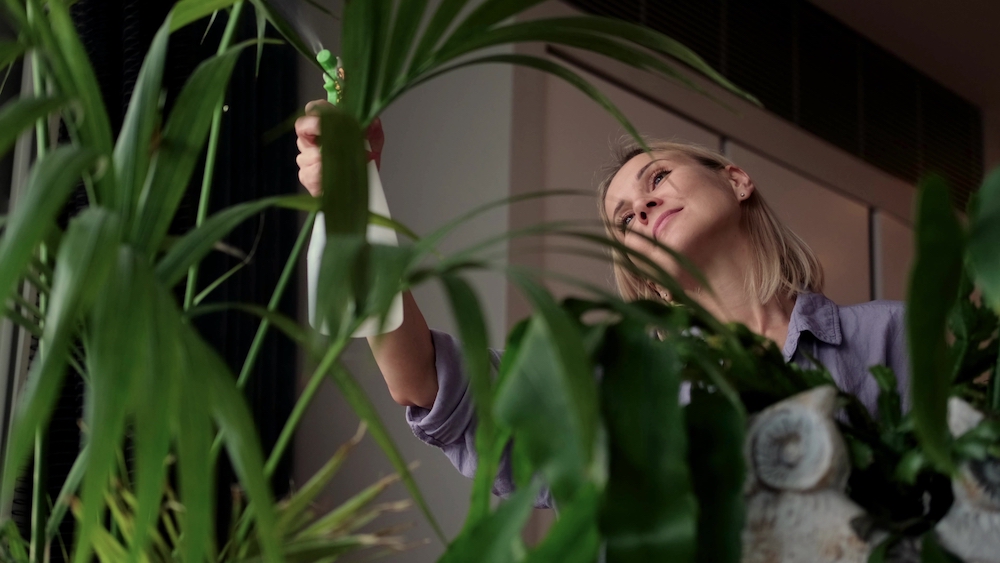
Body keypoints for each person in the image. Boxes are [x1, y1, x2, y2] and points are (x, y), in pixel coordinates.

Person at [295, 101, 910, 508]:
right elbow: (426, 383)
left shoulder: (892, 340)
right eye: (622, 219)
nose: (639, 208)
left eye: (657, 179)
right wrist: (353, 201)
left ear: (734, 177)